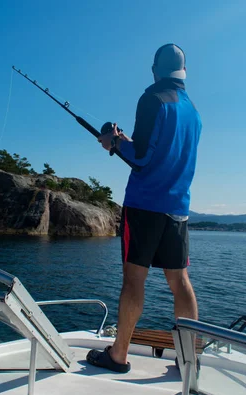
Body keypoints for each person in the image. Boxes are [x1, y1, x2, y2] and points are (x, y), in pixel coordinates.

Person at [86, 43, 202, 373]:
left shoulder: (152, 98)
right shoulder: (194, 112)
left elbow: (142, 158)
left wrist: (114, 142)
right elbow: (161, 153)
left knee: (134, 281)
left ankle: (118, 355)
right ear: (184, 73)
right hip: (178, 209)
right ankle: (188, 360)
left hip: (144, 207)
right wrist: (123, 141)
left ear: (155, 71)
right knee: (181, 283)